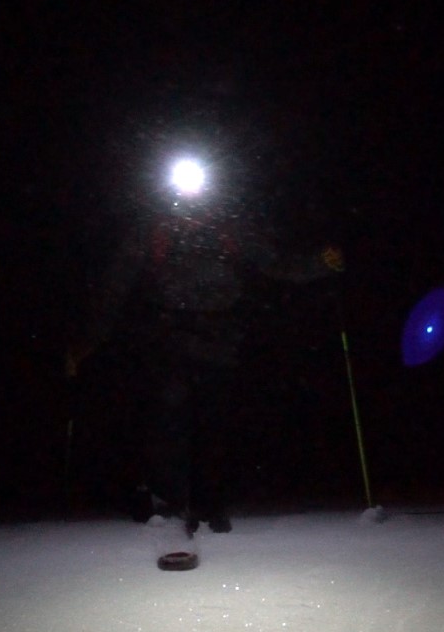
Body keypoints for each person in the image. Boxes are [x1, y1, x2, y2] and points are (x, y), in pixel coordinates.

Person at [66, 158, 343, 533]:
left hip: (220, 336)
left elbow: (277, 263)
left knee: (213, 424)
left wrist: (320, 263)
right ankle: (169, 503)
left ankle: (210, 504)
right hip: (169, 335)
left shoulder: (229, 228)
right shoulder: (156, 228)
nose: (190, 195)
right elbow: (116, 286)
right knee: (169, 418)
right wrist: (86, 342)